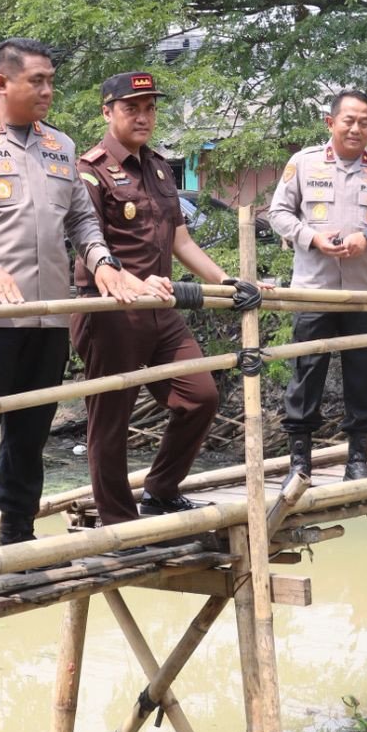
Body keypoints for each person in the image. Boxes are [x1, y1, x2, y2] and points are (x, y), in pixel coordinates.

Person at [0, 38, 147, 555]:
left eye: (51, 79)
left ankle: (19, 541)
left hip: (48, 319)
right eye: (37, 81)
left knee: (30, 437)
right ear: (2, 83)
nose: (49, 90)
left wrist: (104, 265)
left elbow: (81, 219)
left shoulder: (61, 146)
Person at [71, 71, 258, 525]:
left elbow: (181, 240)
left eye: (150, 107)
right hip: (109, 308)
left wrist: (226, 280)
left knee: (200, 396)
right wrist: (130, 283)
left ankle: (160, 489)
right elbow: (87, 241)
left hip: (161, 306)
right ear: (107, 112)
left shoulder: (157, 167)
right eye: (131, 108)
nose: (143, 116)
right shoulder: (89, 170)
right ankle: (117, 520)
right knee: (110, 418)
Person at [266, 89, 367, 493]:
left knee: (362, 375)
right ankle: (300, 463)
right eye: (348, 120)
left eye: (364, 122)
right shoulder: (303, 163)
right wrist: (312, 238)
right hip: (313, 291)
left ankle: (358, 460)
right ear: (330, 123)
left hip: (364, 291)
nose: (355, 128)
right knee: (306, 373)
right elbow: (277, 213)